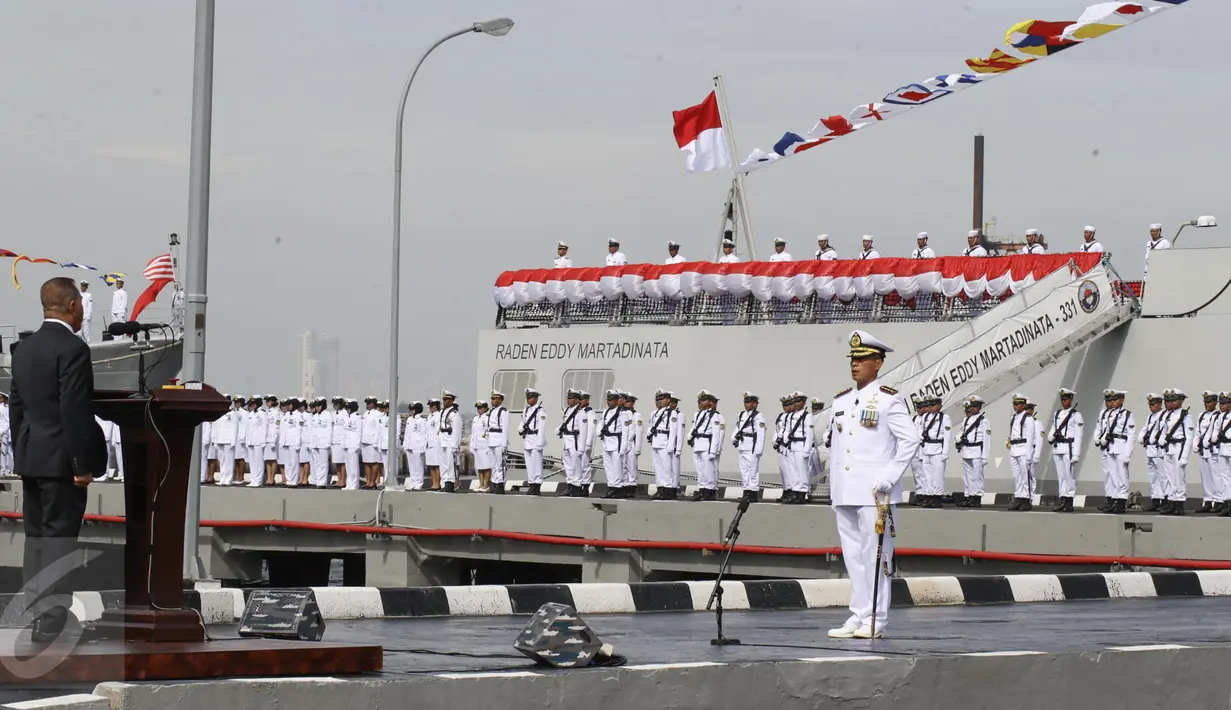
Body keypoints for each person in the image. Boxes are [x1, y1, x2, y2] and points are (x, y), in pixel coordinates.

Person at [10, 277, 109, 642]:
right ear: (72, 306)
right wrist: (82, 464)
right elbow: (75, 411)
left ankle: (37, 616)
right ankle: (52, 623)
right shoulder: (73, 350)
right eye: (81, 304)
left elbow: (16, 410)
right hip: (62, 463)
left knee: (35, 537)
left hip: (32, 458)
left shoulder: (23, 349)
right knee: (59, 539)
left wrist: (23, 456)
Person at [826, 330, 919, 639]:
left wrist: (889, 477)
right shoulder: (841, 400)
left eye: (863, 360)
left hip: (875, 493)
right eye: (853, 359)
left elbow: (910, 440)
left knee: (876, 556)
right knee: (852, 556)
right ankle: (859, 614)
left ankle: (876, 619)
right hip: (846, 490)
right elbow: (839, 447)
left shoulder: (888, 400)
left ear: (878, 364)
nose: (855, 365)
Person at [1094, 389, 1133, 514]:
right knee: (1111, 475)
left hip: (1121, 447)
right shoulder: (1105, 414)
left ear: (1121, 400)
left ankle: (1121, 501)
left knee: (1122, 475)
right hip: (1110, 448)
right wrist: (1098, 438)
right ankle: (1113, 499)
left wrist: (1128, 453)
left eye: (1114, 400)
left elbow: (1131, 436)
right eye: (1109, 400)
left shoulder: (1127, 415)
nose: (1111, 402)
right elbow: (1100, 427)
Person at [1048, 389, 1084, 513]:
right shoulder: (1057, 413)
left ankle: (1069, 501)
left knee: (1069, 476)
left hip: (1069, 447)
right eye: (1062, 399)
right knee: (1061, 476)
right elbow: (1054, 427)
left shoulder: (1076, 415)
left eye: (1066, 399)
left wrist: (1076, 454)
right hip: (1058, 447)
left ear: (1071, 400)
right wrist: (1051, 435)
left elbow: (1079, 436)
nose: (1064, 402)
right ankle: (1063, 498)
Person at [1158, 389, 1192, 516]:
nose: (1170, 403)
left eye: (1173, 400)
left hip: (1179, 447)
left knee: (1179, 478)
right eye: (1168, 400)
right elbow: (1164, 431)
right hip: (1168, 448)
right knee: (1170, 477)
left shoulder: (1185, 416)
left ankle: (1179, 504)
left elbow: (1189, 438)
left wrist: (1184, 456)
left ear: (1181, 401)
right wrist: (1162, 441)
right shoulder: (1168, 415)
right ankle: (1171, 501)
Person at [955, 396, 991, 507]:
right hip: (966, 450)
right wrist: (958, 438)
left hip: (977, 451)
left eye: (974, 407)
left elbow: (987, 439)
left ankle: (977, 497)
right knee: (967, 476)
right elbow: (961, 432)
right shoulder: (966, 420)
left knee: (977, 476)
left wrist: (985, 456)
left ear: (979, 407)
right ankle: (969, 495)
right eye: (970, 407)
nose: (971, 410)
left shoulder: (984, 421)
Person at [688, 390, 724, 501]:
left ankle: (710, 489)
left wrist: (714, 450)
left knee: (709, 469)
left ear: (710, 402)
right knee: (700, 469)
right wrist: (689, 437)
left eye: (703, 400)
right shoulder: (698, 414)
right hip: (697, 443)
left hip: (707, 444)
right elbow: (694, 427)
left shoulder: (715, 416)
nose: (700, 403)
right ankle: (702, 488)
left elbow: (716, 434)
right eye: (700, 401)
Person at [731, 392, 766, 502]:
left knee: (753, 471)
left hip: (752, 446)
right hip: (742, 445)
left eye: (749, 402)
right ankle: (746, 491)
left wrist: (758, 450)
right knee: (744, 470)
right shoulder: (741, 415)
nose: (746, 404)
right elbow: (738, 428)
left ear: (755, 404)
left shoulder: (758, 416)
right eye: (745, 402)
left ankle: (753, 493)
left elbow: (761, 434)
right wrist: (733, 438)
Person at [1007, 393, 1038, 511]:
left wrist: (1029, 454)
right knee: (1017, 476)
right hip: (1014, 449)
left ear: (1023, 405)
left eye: (1017, 404)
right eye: (1014, 404)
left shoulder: (1028, 418)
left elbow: (1030, 437)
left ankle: (1026, 499)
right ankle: (1019, 497)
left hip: (1024, 448)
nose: (1015, 406)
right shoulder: (1013, 418)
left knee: (1025, 476)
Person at [647, 389, 679, 501]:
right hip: (656, 441)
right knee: (658, 468)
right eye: (657, 399)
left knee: (666, 468)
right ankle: (660, 488)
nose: (659, 401)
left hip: (665, 442)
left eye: (661, 399)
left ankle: (668, 489)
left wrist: (671, 446)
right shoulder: (654, 413)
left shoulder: (672, 413)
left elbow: (674, 431)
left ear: (668, 399)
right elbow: (651, 426)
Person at [520, 388, 548, 495]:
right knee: (529, 464)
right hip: (528, 439)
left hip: (536, 439)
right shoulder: (526, 410)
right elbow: (523, 421)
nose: (528, 399)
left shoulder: (540, 411)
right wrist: (521, 427)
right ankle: (531, 483)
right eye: (527, 397)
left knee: (537, 464)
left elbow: (542, 428)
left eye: (530, 397)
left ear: (536, 399)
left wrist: (540, 442)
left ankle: (537, 485)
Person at [1197, 391, 1221, 513]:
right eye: (1205, 402)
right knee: (1205, 476)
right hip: (1202, 450)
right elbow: (1198, 432)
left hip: (1213, 450)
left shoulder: (1218, 415)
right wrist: (1196, 444)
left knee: (1215, 476)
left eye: (1209, 401)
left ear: (1215, 402)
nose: (1207, 404)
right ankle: (1207, 500)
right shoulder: (1201, 415)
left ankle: (1217, 500)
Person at [486, 390, 510, 494]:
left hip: (499, 439)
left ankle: (500, 484)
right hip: (491, 439)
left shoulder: (503, 411)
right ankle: (494, 482)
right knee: (493, 464)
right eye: (492, 398)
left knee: (500, 465)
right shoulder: (492, 411)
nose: (493, 401)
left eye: (495, 398)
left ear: (500, 400)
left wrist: (504, 443)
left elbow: (505, 428)